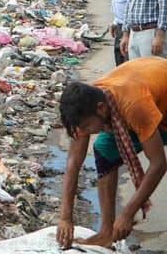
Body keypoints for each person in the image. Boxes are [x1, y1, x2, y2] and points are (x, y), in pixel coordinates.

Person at [56, 57, 167, 248]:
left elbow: (158, 164)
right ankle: (106, 233)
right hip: (146, 84)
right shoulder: (88, 103)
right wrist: (65, 217)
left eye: (87, 127)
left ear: (101, 109)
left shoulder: (134, 105)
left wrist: (127, 213)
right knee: (104, 149)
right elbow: (74, 162)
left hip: (159, 101)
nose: (84, 133)